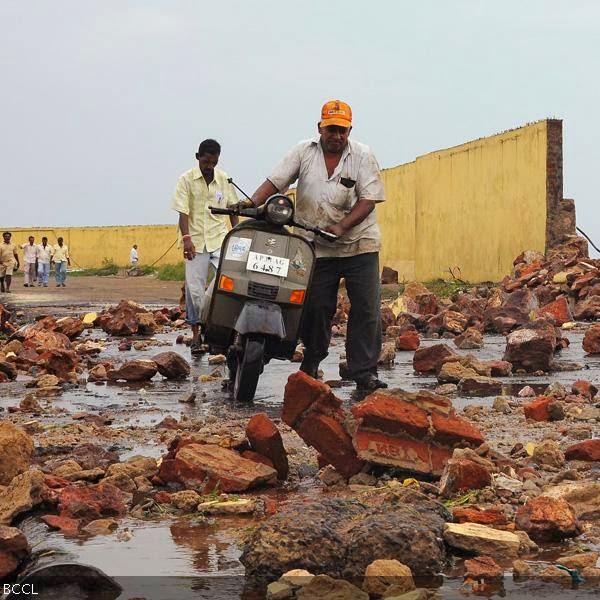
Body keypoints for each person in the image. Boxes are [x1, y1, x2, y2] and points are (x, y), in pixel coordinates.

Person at [247, 100, 387, 391]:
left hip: (359, 243)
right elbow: (275, 182)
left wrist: (340, 226)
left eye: (342, 130)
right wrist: (250, 204)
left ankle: (364, 372)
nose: (336, 135)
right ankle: (312, 360)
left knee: (366, 308)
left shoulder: (362, 155)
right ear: (320, 128)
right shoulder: (303, 151)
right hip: (316, 245)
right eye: (331, 129)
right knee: (315, 307)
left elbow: (368, 200)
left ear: (350, 130)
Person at [171, 139, 239, 355]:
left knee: (230, 282)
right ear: (197, 157)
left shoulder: (224, 180)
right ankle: (196, 335)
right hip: (196, 242)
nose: (209, 166)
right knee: (194, 289)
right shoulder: (186, 179)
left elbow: (232, 210)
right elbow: (183, 212)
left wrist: (236, 235)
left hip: (220, 239)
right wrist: (186, 239)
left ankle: (229, 332)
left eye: (213, 162)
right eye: (206, 161)